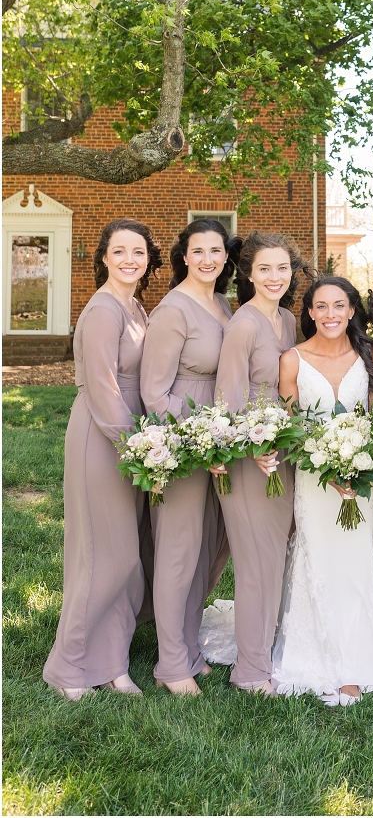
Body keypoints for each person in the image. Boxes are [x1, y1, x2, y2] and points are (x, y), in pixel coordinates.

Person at [272, 276, 373, 705]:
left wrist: (360, 463)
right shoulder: (292, 360)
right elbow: (292, 430)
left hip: (361, 479)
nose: (330, 314)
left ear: (352, 311)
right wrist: (325, 466)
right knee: (319, 558)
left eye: (339, 306)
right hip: (314, 481)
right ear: (310, 313)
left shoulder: (369, 355)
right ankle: (314, 656)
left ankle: (356, 662)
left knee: (355, 560)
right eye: (321, 306)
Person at [43, 219, 162, 699]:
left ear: (148, 259)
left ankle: (112, 664)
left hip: (130, 436)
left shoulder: (134, 307)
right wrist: (139, 450)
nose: (129, 259)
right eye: (120, 251)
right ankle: (69, 666)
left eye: (138, 251)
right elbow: (103, 389)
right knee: (101, 558)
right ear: (104, 258)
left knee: (126, 558)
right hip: (103, 437)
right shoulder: (101, 311)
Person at [140, 219, 236, 695]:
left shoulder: (223, 305)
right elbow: (154, 392)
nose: (207, 259)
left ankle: (189, 647)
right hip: (184, 443)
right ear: (184, 257)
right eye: (198, 251)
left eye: (215, 250)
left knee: (207, 549)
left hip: (221, 437)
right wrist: (199, 437)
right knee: (178, 552)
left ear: (225, 256)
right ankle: (171, 663)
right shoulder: (172, 310)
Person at [212, 231, 308, 694]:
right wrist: (249, 447)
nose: (274, 277)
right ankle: (250, 671)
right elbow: (227, 398)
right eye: (265, 269)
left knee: (274, 559)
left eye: (282, 268)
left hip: (283, 452)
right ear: (248, 274)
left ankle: (265, 650)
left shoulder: (287, 320)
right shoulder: (244, 325)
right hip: (249, 458)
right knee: (256, 563)